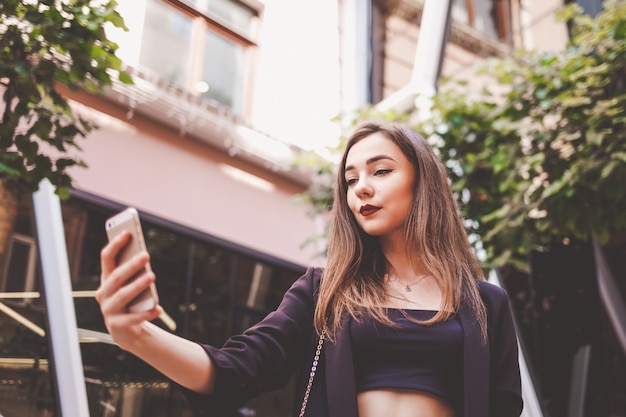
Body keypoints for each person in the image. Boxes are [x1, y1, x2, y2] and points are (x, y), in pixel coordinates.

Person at [96, 121, 523, 417]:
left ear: (422, 182)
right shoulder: (325, 291)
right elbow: (236, 370)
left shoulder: (486, 303)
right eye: (351, 180)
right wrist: (136, 336)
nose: (362, 189)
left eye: (381, 171)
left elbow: (503, 408)